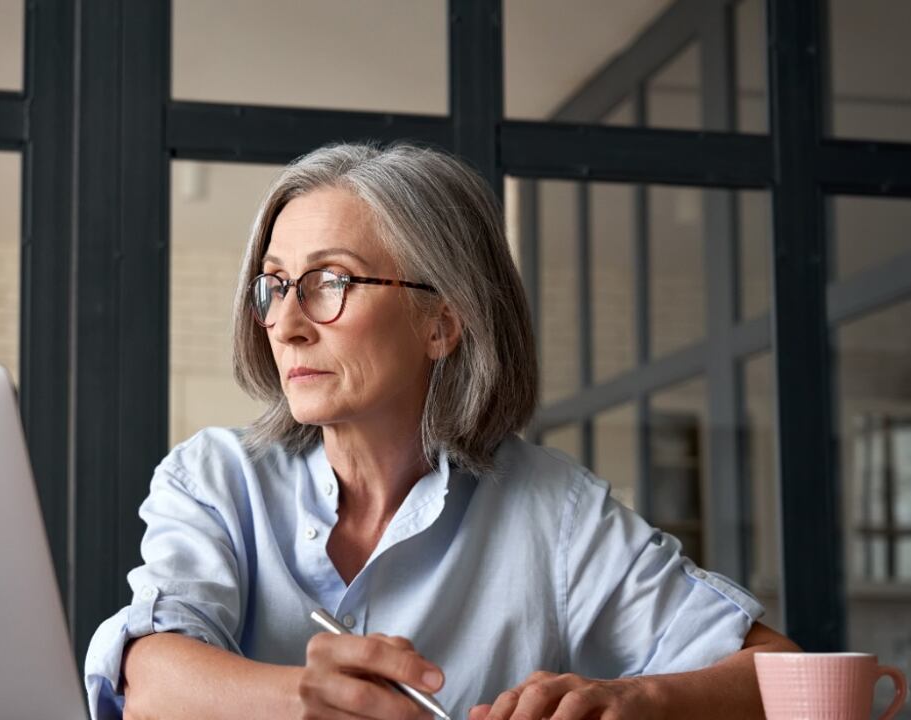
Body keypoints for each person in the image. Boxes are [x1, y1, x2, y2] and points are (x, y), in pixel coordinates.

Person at [83, 142, 799, 720]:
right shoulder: (213, 477)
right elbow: (150, 683)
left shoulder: (557, 512)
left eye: (330, 281)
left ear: (442, 322)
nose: (285, 323)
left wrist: (631, 698)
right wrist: (300, 700)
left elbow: (786, 677)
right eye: (274, 284)